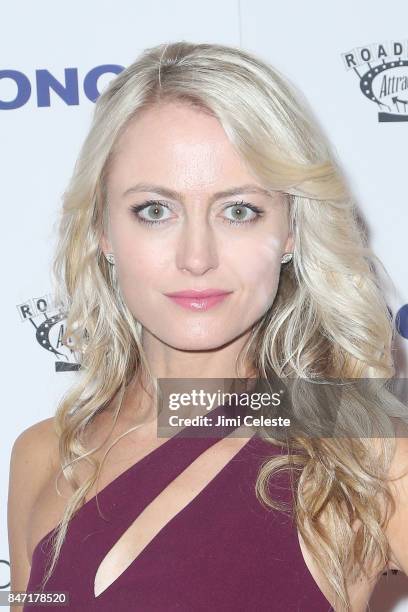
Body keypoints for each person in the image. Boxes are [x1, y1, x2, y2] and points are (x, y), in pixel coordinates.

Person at [7, 40, 408, 611]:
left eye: (239, 210)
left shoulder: (363, 448)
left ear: (292, 230)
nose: (197, 257)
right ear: (102, 229)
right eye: (154, 210)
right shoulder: (44, 456)